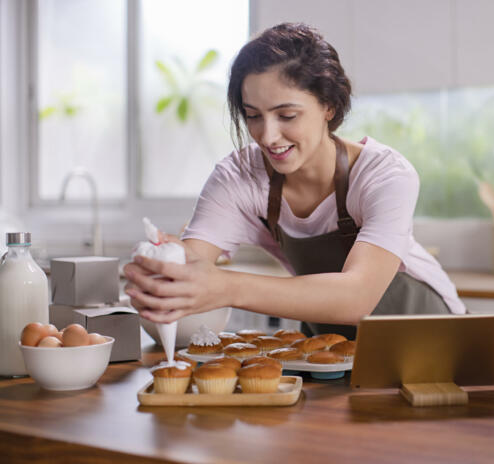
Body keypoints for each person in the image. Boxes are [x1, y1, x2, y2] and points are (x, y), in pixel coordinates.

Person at [124, 22, 465, 338]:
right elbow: (194, 262)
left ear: (328, 106)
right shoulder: (239, 177)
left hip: (432, 337)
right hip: (333, 347)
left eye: (287, 115)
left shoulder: (384, 175)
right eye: (253, 116)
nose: (268, 136)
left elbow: (358, 296)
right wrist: (165, 269)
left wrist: (226, 286)